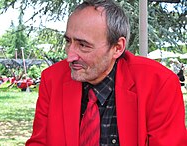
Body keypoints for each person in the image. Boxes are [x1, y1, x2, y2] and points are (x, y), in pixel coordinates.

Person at [26, 0, 187, 145]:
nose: (70, 56)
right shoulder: (52, 78)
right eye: (68, 41)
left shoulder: (159, 83)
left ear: (117, 48)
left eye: (83, 45)